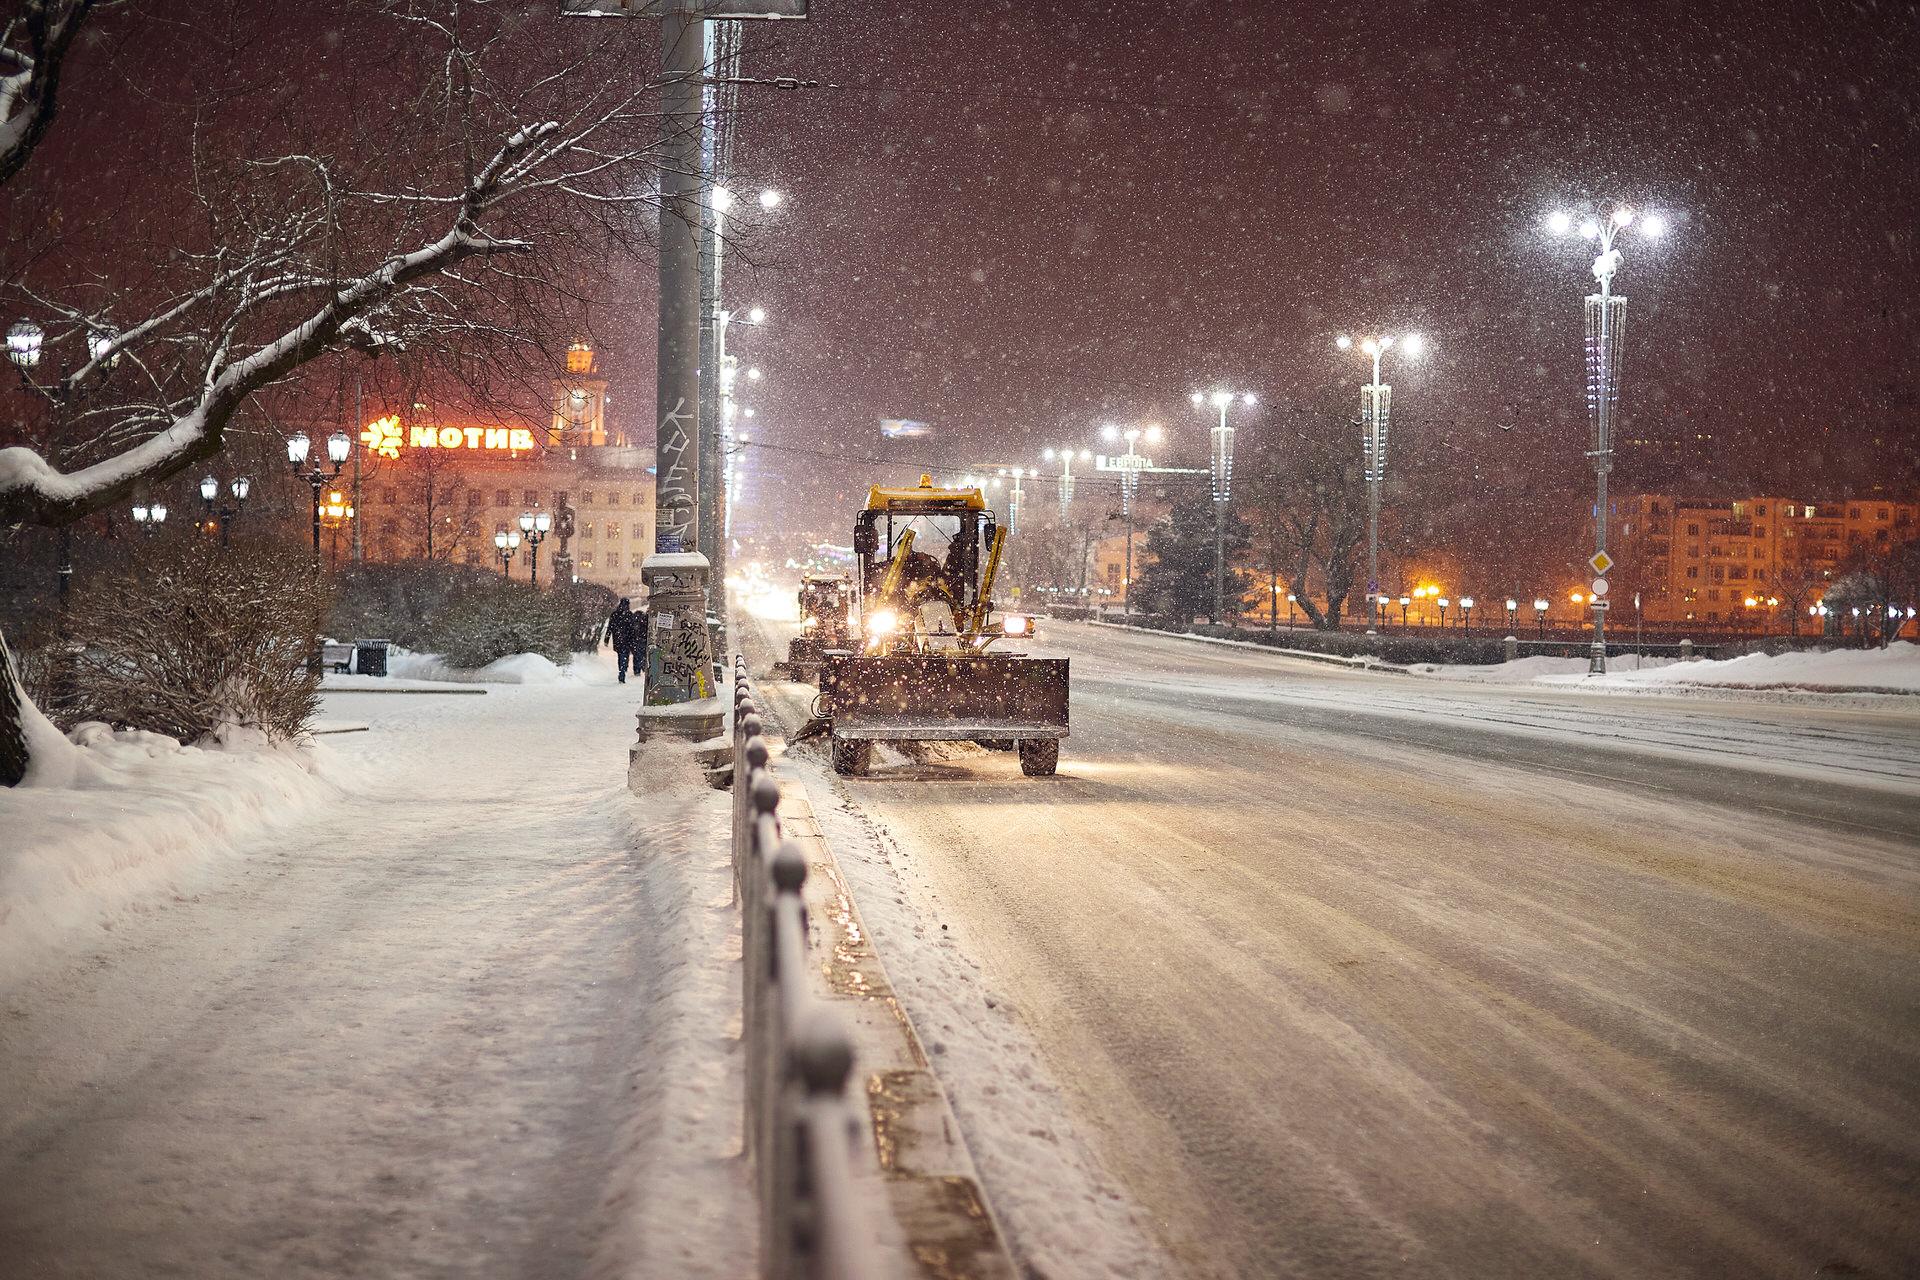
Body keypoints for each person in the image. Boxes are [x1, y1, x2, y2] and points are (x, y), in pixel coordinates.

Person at [604, 597, 645, 683]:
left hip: (618, 639)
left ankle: (622, 670)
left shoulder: (615, 614)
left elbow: (610, 627)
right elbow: (632, 629)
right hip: (627, 640)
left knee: (621, 656)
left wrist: (607, 638)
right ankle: (624, 668)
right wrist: (634, 638)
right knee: (625, 655)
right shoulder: (629, 614)